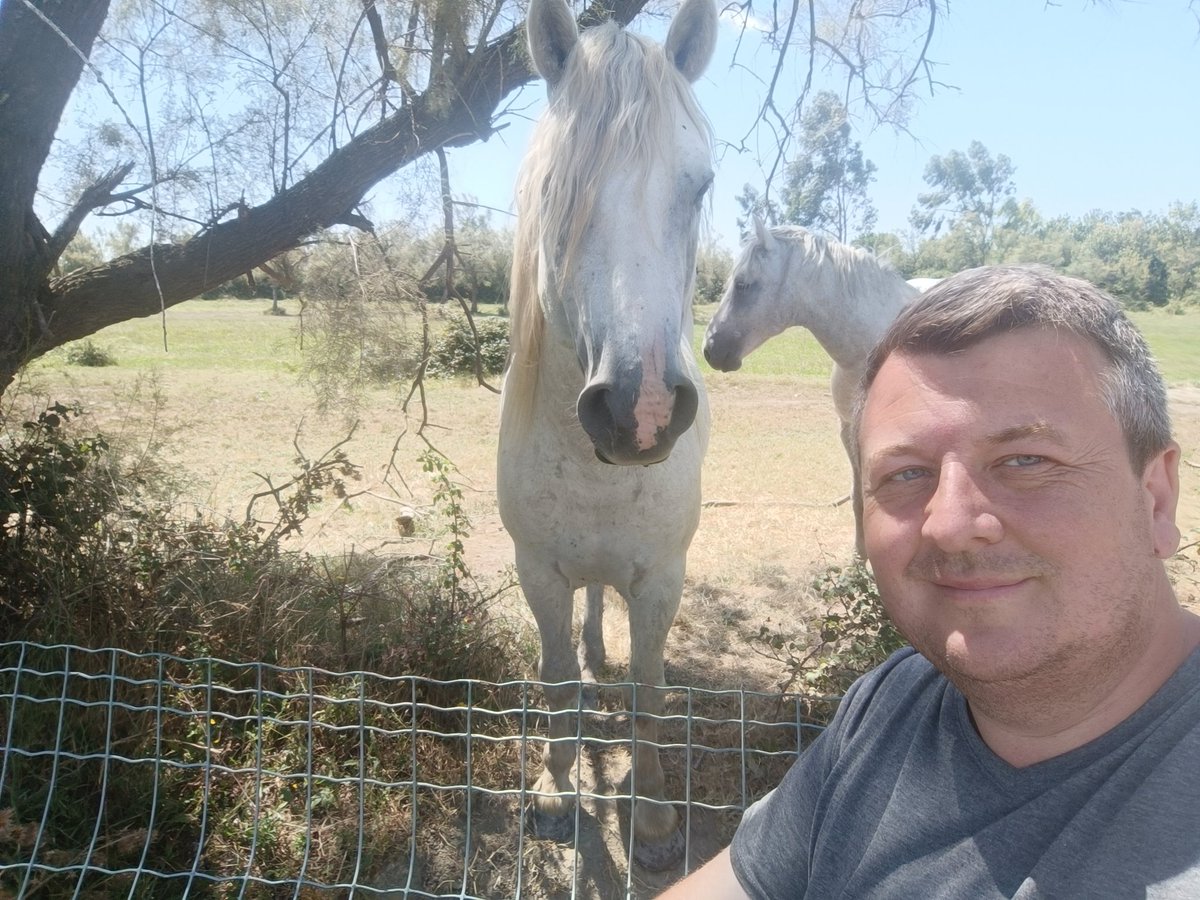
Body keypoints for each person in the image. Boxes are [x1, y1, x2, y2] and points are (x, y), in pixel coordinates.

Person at [660, 265, 1200, 898]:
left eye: (1026, 460)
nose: (950, 525)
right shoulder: (894, 703)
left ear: (1156, 498)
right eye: (907, 475)